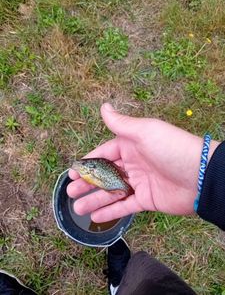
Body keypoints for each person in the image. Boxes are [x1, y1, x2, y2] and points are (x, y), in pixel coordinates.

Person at [1, 103, 224, 294]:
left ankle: (122, 285)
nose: (81, 166)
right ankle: (124, 279)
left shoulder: (97, 172)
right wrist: (202, 172)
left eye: (84, 165)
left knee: (141, 282)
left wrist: (203, 173)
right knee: (144, 279)